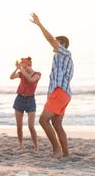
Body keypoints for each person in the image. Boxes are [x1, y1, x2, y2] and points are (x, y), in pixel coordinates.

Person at [30, 12, 74, 158]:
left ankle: (57, 150)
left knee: (43, 120)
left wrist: (39, 24)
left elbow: (49, 39)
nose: (53, 44)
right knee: (56, 124)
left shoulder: (64, 53)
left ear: (62, 45)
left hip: (60, 93)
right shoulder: (63, 58)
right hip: (65, 94)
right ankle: (65, 154)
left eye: (56, 42)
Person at [10, 57, 41, 151]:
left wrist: (20, 69)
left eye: (24, 65)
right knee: (19, 126)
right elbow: (11, 77)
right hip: (19, 99)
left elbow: (31, 80)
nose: (23, 67)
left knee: (31, 126)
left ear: (29, 64)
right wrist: (16, 68)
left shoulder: (37, 74)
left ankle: (36, 146)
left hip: (30, 100)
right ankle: (21, 144)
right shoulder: (21, 73)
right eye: (22, 65)